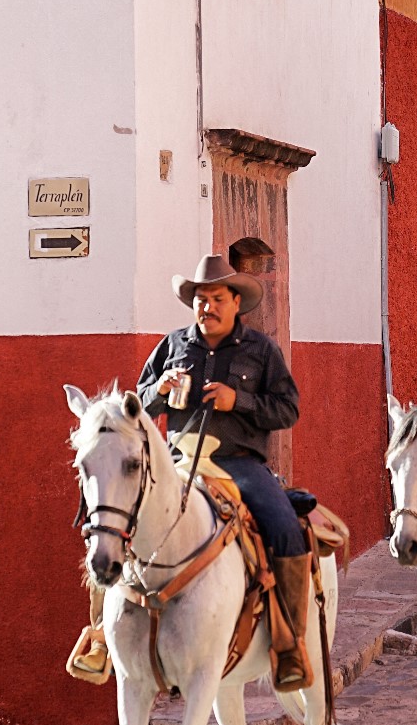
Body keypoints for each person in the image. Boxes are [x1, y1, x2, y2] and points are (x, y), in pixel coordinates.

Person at [66, 253, 316, 692]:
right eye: (201, 299)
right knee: (110, 523)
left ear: (236, 302)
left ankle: (289, 643)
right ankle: (101, 638)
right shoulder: (173, 345)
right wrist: (157, 393)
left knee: (284, 528)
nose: (208, 307)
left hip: (238, 466)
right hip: (177, 464)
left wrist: (235, 401)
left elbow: (288, 408)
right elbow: (134, 408)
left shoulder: (261, 351)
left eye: (217, 298)